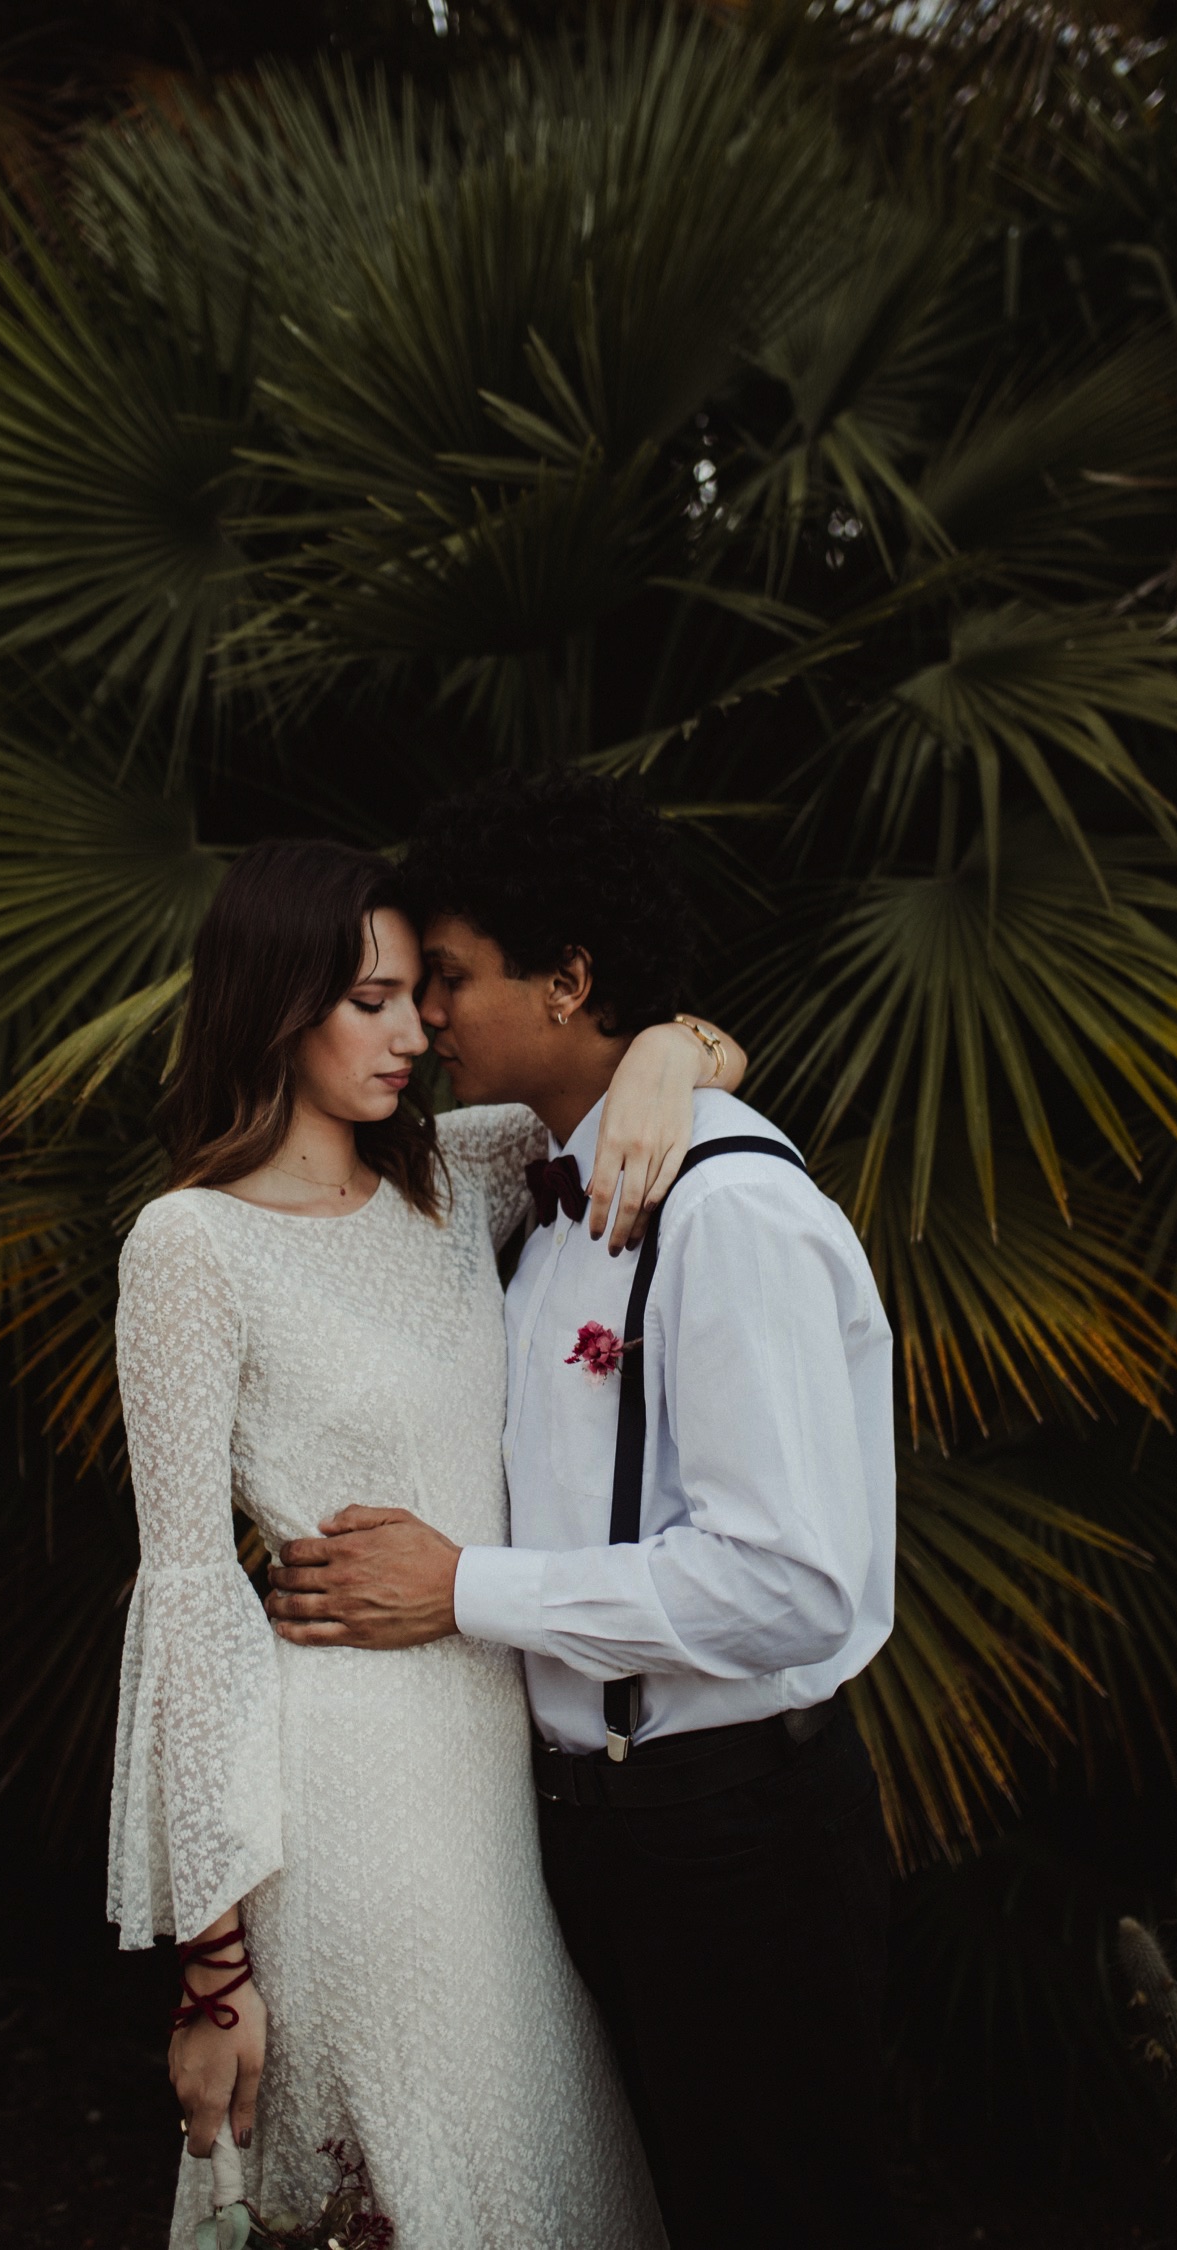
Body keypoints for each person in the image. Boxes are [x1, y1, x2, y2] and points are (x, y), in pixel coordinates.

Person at [268, 772, 900, 2250]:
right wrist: (680, 1049)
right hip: (576, 1835)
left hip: (735, 1833)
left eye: (451, 981)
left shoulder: (729, 1215)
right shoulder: (528, 1196)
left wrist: (463, 1589)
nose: (426, 1024)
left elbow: (792, 1582)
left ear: (570, 981)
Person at [106, 834, 746, 2249]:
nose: (418, 1031)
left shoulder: (459, 1174)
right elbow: (194, 1600)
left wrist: (653, 1057)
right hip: (340, 1793)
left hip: (493, 1782)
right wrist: (214, 1975)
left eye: (419, 993)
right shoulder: (186, 1246)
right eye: (373, 999)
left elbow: (708, 1057)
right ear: (275, 1002)